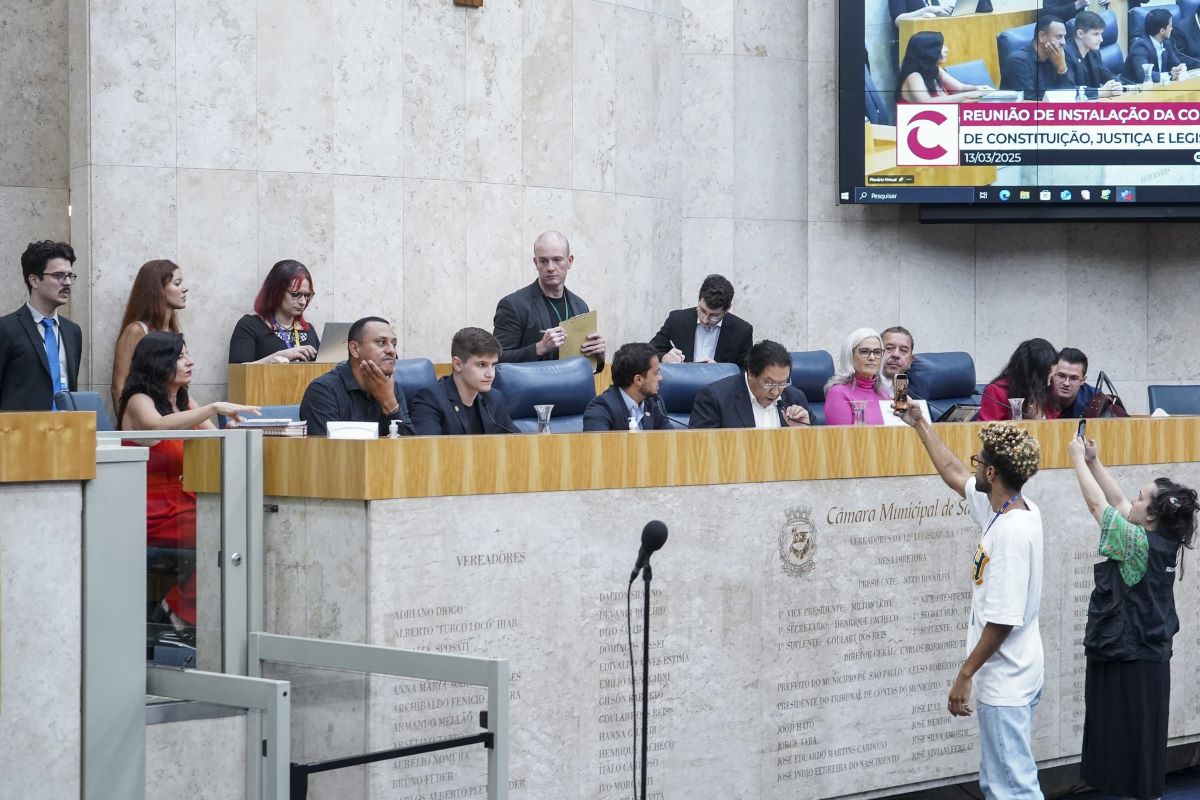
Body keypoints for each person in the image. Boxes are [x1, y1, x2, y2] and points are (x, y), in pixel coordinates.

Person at [899, 404, 1045, 800]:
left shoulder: (1011, 534)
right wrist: (919, 424)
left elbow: (1002, 621)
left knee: (1012, 788)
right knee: (1002, 780)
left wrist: (965, 675)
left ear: (993, 473)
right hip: (1018, 672)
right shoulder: (1009, 508)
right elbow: (953, 474)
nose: (974, 466)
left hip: (1006, 681)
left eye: (980, 461)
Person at [1067, 435, 1197, 800]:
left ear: (1152, 515)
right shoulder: (1158, 538)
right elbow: (1120, 502)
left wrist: (1076, 459)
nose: (1133, 500)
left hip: (1130, 658)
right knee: (1140, 747)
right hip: (1146, 657)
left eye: (1142, 498)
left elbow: (1099, 507)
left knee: (1127, 751)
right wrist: (1095, 462)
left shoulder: (1135, 541)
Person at [117, 331, 259, 641]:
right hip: (150, 508)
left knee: (241, 521)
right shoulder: (139, 400)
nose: (190, 361)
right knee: (218, 528)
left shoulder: (183, 399)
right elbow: (156, 427)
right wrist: (212, 409)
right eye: (181, 356)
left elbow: (214, 441)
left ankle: (187, 614)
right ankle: (177, 612)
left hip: (184, 501)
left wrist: (234, 429)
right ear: (159, 362)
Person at [493, 230, 606, 368]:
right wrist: (539, 348)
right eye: (543, 261)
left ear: (570, 261)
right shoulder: (513, 305)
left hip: (572, 388)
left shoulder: (580, 305)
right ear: (536, 263)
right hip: (532, 388)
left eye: (557, 260)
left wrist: (598, 356)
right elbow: (496, 358)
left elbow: (587, 365)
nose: (550, 268)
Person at [0, 240, 83, 411]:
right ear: (34, 280)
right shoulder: (7, 329)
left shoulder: (72, 331)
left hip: (67, 431)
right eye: (59, 275)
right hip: (23, 433)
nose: (67, 282)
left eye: (70, 276)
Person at [299, 316, 414, 437]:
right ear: (355, 349)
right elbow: (328, 452)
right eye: (381, 342)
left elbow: (411, 451)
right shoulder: (323, 391)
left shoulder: (391, 389)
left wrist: (390, 404)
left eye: (394, 344)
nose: (392, 351)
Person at [110, 259, 189, 410]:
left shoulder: (173, 331)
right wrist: (130, 427)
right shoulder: (136, 330)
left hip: (173, 418)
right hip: (146, 424)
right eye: (177, 283)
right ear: (157, 289)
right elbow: (119, 387)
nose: (185, 289)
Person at [411, 327, 515, 436]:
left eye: (493, 365)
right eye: (481, 365)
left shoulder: (494, 398)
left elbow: (519, 442)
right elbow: (428, 450)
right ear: (458, 364)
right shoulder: (431, 399)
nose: (490, 374)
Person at [690, 340, 811, 429]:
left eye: (783, 383)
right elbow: (701, 451)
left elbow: (816, 453)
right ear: (751, 373)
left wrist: (804, 432)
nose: (775, 392)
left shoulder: (795, 398)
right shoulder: (714, 399)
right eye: (769, 383)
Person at [228, 259, 321, 364]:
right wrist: (277, 357)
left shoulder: (308, 330)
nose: (303, 302)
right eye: (296, 294)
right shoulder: (250, 326)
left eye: (307, 295)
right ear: (276, 291)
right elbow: (237, 373)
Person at [650, 274, 753, 366]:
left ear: (727, 309)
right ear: (699, 300)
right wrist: (663, 357)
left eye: (714, 315)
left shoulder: (742, 331)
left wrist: (721, 370)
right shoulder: (677, 319)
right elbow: (649, 351)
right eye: (702, 310)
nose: (705, 320)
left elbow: (747, 372)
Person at [583, 342, 671, 432]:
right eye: (656, 373)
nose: (660, 378)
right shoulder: (601, 408)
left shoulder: (655, 403)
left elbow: (670, 441)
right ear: (638, 380)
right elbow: (596, 445)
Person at [898, 31, 994, 103]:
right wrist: (968, 95)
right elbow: (927, 104)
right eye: (940, 47)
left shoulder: (936, 69)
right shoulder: (913, 76)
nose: (946, 49)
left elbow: (960, 87)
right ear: (927, 52)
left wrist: (979, 89)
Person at [979, 338, 1059, 421]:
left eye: (1051, 378)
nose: (1048, 384)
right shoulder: (996, 392)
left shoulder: (1048, 390)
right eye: (1046, 378)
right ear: (1031, 375)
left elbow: (1056, 424)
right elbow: (987, 429)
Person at [824, 328, 892, 426]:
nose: (872, 357)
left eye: (877, 352)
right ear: (850, 356)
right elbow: (841, 440)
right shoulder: (838, 393)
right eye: (864, 351)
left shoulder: (885, 393)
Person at [1000, 15, 1075, 101]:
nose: (1063, 42)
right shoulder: (1017, 61)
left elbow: (1069, 97)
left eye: (1064, 37)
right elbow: (1029, 102)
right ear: (1042, 36)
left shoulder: (1057, 58)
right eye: (1058, 37)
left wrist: (1062, 69)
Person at [1124, 8, 1200, 84]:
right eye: (1170, 26)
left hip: (1158, 87)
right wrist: (1170, 75)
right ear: (1162, 31)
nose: (1172, 28)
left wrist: (1180, 69)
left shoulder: (1166, 43)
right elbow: (1144, 75)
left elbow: (1177, 64)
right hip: (1135, 90)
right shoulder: (1140, 47)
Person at [1065, 10, 1125, 98]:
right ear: (1080, 34)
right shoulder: (1066, 54)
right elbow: (1069, 90)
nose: (1101, 39)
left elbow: (1105, 74)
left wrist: (1118, 84)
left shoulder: (1094, 52)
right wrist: (1099, 92)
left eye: (1101, 34)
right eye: (1096, 34)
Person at [1048, 347, 1097, 418]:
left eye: (1073, 378)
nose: (1066, 383)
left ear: (1083, 380)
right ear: (1052, 374)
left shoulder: (1095, 401)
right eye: (1061, 376)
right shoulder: (1039, 395)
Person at [880, 325, 915, 395]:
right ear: (877, 353)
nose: (896, 355)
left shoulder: (920, 394)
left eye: (903, 350)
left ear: (911, 360)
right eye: (889, 348)